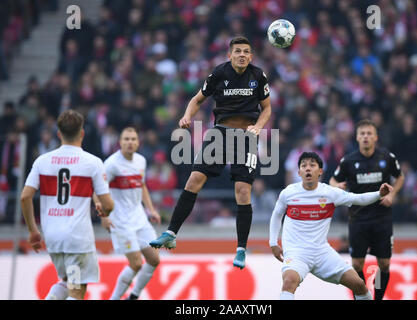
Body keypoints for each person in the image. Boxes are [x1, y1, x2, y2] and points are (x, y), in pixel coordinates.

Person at [150, 36, 272, 269]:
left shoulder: (258, 76)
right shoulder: (219, 74)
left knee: (242, 190)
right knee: (194, 179)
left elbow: (267, 108)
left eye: (246, 51)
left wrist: (258, 127)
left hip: (246, 136)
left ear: (251, 56)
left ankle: (241, 249)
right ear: (230, 55)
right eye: (238, 51)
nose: (242, 55)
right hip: (220, 134)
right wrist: (187, 115)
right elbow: (197, 100)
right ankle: (171, 233)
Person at [270, 152, 393, 300]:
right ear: (299, 172)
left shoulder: (329, 193)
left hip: (322, 252)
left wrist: (379, 194)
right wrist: (273, 242)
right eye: (304, 166)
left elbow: (357, 199)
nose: (307, 168)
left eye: (312, 165)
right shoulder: (288, 193)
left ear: (320, 171)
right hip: (296, 253)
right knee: (289, 281)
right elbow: (276, 215)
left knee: (359, 284)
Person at [20, 110, 114, 300]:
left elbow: (25, 197)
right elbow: (108, 204)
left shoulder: (42, 161)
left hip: (53, 236)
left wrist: (33, 231)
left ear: (58, 134)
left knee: (65, 280)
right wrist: (104, 209)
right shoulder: (93, 162)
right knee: (77, 290)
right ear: (82, 133)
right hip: (77, 238)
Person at [329, 119, 404, 300]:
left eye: (369, 133)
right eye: (362, 133)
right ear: (357, 137)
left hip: (381, 218)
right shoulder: (348, 161)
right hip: (358, 218)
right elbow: (332, 180)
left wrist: (392, 196)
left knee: (384, 264)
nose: (365, 137)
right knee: (356, 265)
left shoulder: (387, 158)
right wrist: (337, 187)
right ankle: (363, 297)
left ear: (375, 137)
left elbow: (400, 177)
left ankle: (377, 297)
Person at [98, 127, 162, 300]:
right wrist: (103, 216)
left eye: (133, 139)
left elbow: (142, 186)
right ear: (119, 142)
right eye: (126, 139)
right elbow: (97, 190)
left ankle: (133, 295)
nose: (130, 142)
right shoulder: (111, 164)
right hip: (121, 221)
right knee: (135, 264)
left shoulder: (140, 161)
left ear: (138, 142)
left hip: (139, 218)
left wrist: (151, 210)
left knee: (154, 260)